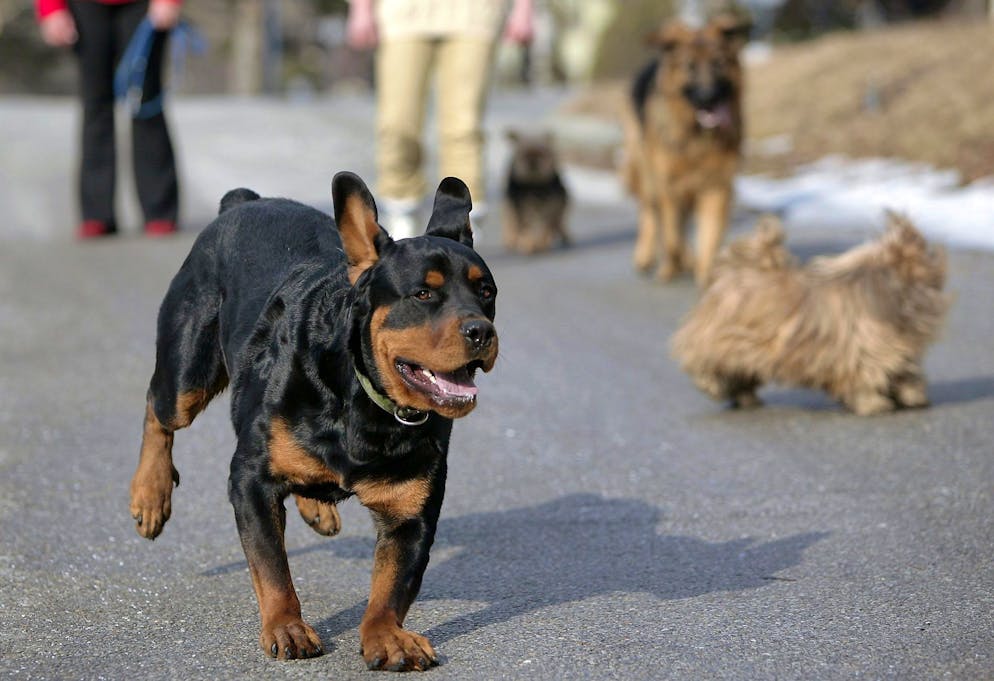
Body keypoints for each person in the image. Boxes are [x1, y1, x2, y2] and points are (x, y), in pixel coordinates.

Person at [347, 0, 534, 238]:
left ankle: (462, 221)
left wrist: (524, 8)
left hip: (475, 13)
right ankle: (402, 211)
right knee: (397, 125)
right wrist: (360, 8)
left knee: (463, 128)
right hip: (402, 13)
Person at [36, 0, 182, 238]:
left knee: (145, 101)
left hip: (142, 6)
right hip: (85, 7)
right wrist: (51, 9)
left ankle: (159, 210)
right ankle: (97, 213)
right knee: (95, 105)